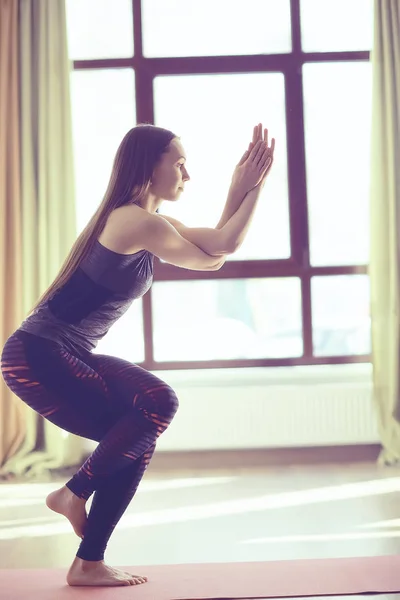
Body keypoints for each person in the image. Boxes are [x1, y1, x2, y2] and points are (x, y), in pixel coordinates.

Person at [0, 122, 275, 587]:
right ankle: (74, 491)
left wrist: (241, 189)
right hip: (37, 354)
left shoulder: (151, 223)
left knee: (136, 437)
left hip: (55, 353)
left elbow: (214, 251)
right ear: (150, 166)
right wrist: (252, 188)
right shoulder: (134, 221)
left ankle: (89, 563)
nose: (187, 174)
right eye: (180, 163)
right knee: (158, 401)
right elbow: (223, 246)